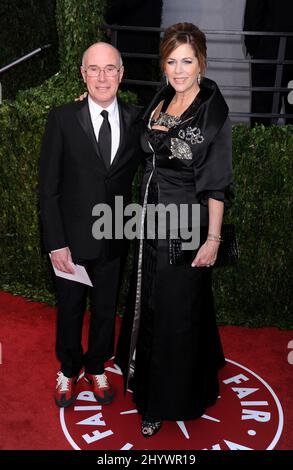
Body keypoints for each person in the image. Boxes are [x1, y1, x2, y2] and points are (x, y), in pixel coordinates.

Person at [115, 22, 233, 437]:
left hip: (185, 225)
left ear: (201, 62)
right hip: (150, 223)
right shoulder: (161, 99)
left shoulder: (212, 112)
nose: (178, 70)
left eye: (187, 61)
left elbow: (217, 182)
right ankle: (156, 380)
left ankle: (160, 401)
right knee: (150, 304)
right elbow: (137, 130)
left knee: (174, 314)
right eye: (171, 61)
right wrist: (93, 101)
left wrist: (214, 239)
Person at [39, 42, 142, 408]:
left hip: (114, 238)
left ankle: (97, 365)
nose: (102, 77)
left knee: (104, 310)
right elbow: (48, 189)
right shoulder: (62, 117)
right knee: (68, 310)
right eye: (94, 69)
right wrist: (55, 243)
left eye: (110, 68)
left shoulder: (137, 120)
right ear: (83, 75)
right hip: (70, 241)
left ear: (121, 74)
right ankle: (68, 369)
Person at [243, 0, 293, 126]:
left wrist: (253, 46)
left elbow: (253, 15)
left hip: (267, 56)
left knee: (263, 120)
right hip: (269, 54)